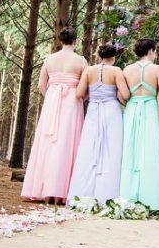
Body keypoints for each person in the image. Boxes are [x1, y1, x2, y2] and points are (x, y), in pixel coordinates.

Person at [22, 26, 87, 204]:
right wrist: (80, 98)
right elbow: (84, 88)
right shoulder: (81, 60)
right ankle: (61, 191)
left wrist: (51, 97)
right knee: (67, 142)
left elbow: (41, 85)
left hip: (52, 101)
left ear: (60, 41)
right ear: (75, 41)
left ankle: (42, 188)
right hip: (72, 102)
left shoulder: (50, 59)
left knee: (48, 142)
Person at [67, 42, 128, 205]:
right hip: (112, 111)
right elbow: (126, 94)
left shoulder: (89, 70)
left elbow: (79, 93)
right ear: (113, 57)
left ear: (99, 56)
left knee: (90, 148)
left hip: (94, 110)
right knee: (111, 150)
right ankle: (107, 193)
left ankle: (83, 192)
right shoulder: (116, 71)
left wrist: (93, 94)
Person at [120, 38, 159, 211]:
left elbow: (121, 95)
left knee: (130, 149)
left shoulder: (127, 70)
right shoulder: (157, 69)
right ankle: (149, 196)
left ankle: (128, 193)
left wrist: (130, 103)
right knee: (150, 149)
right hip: (150, 109)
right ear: (151, 51)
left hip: (132, 109)